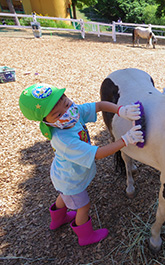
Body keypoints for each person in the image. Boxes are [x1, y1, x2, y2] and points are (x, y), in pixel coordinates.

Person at [18, 83, 144, 246]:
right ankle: (85, 236)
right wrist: (125, 140)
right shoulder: (64, 140)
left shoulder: (73, 113)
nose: (67, 112)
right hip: (71, 180)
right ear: (46, 122)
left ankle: (58, 219)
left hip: (64, 175)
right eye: (57, 114)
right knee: (83, 206)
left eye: (67, 104)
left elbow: (98, 105)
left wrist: (121, 110)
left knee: (64, 195)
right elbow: (97, 154)